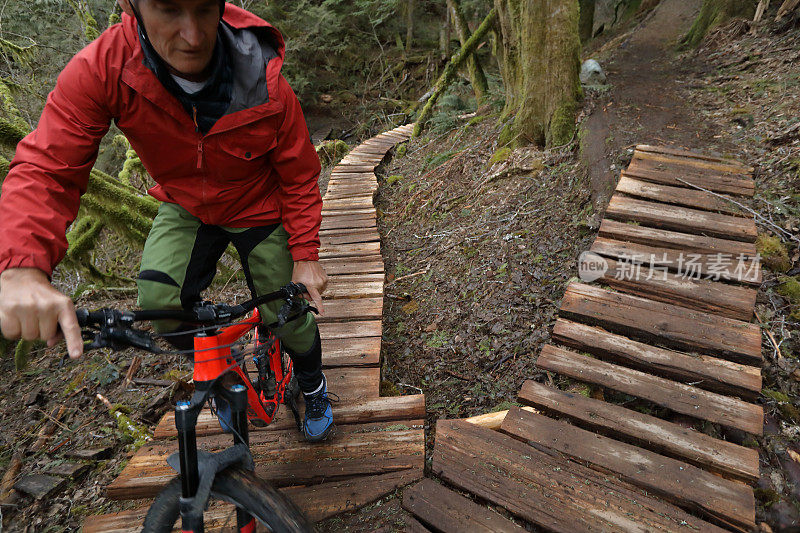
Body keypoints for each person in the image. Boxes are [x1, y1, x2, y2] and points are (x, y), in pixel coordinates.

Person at [0, 0, 335, 442]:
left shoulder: (268, 82)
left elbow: (299, 173)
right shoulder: (105, 69)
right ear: (130, 5)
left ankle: (312, 384)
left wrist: (306, 255)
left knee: (287, 309)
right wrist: (22, 264)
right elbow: (49, 166)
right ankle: (222, 369)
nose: (193, 36)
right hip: (185, 205)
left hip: (258, 204)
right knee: (160, 300)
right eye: (168, 9)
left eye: (203, 9)